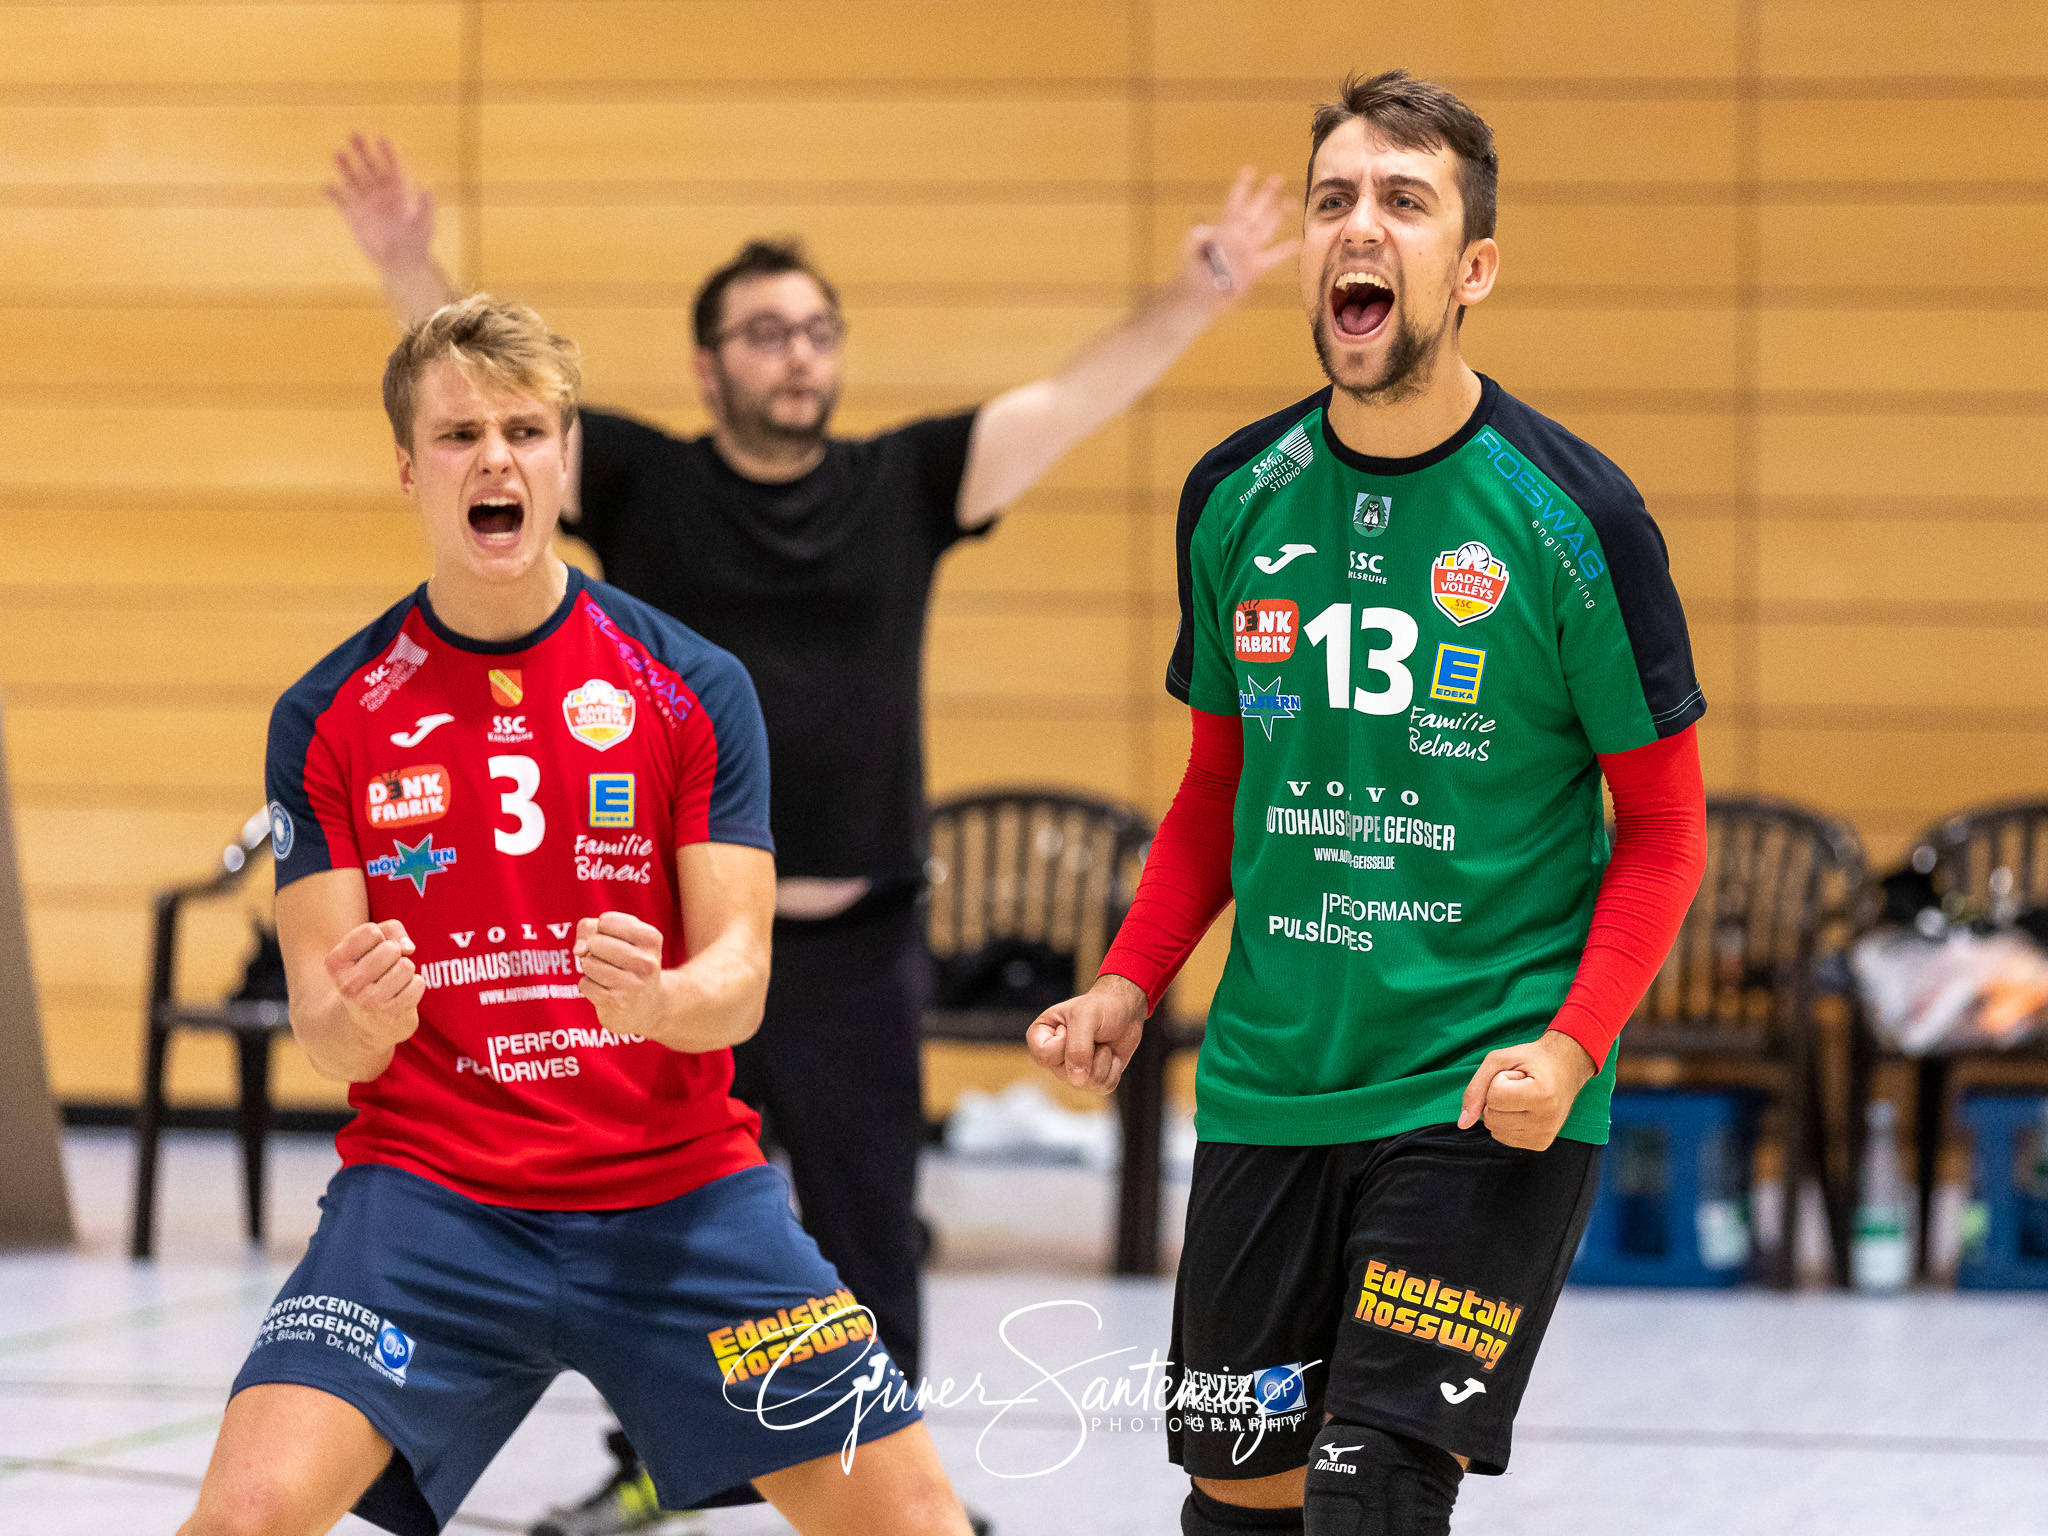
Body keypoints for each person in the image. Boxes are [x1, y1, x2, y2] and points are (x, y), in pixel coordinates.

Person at [326, 133, 1299, 1532]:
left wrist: (1196, 295)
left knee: (864, 1234)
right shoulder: (650, 484)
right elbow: (496, 418)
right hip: (665, 949)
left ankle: (890, 1494)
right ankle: (657, 1458)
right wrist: (406, 264)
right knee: (646, 1217)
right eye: (765, 334)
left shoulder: (906, 484)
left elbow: (1074, 397)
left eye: (817, 331)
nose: (798, 354)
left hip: (854, 948)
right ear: (709, 364)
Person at [1026, 70, 1711, 1536]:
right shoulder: (1235, 498)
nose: (1360, 226)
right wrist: (1131, 981)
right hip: (1272, 1080)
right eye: (1337, 199)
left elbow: (1662, 827)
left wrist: (1573, 1045)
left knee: (1373, 1478)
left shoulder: (1574, 518)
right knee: (1241, 1492)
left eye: (1405, 201)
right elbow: (1220, 784)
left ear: (1472, 270)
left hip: (1481, 1084)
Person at [179, 294, 974, 1536]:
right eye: (457, 437)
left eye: (524, 430)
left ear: (562, 459)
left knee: (916, 1523)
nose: (494, 458)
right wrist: (364, 1017)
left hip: (678, 1197)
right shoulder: (329, 712)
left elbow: (742, 983)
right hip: (433, 1197)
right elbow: (328, 1033)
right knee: (242, 1519)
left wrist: (657, 999)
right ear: (408, 469)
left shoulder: (691, 687)